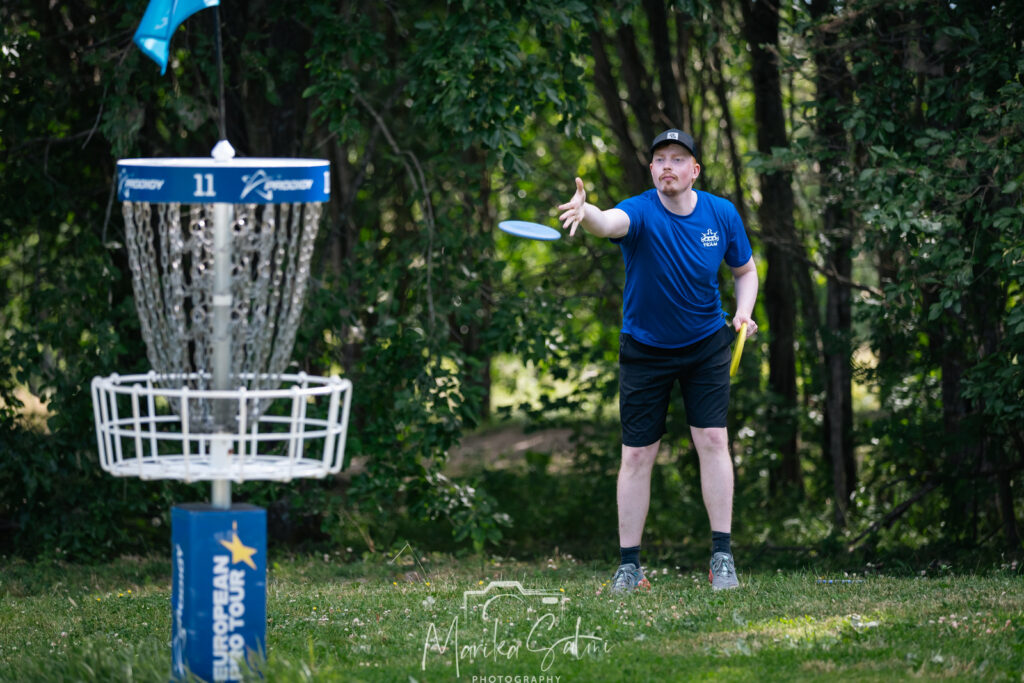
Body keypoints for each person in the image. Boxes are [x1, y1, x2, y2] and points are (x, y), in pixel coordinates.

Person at [557, 129, 758, 591]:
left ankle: (722, 559)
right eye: (660, 159)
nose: (668, 166)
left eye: (677, 159)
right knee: (637, 453)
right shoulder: (640, 210)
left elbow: (745, 271)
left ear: (694, 170)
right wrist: (584, 211)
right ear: (651, 170)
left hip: (707, 343)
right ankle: (630, 566)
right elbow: (608, 223)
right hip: (644, 348)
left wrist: (743, 311)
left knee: (712, 439)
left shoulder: (721, 213)